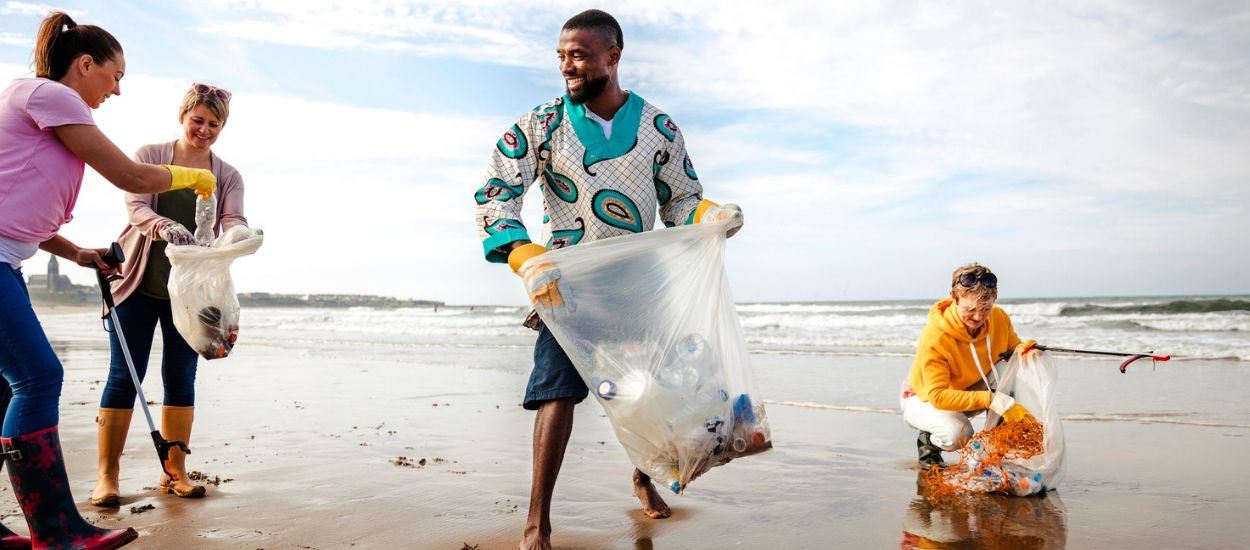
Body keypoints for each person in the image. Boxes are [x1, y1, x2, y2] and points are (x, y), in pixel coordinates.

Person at [473, 9, 743, 550]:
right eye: (561, 56)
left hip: (639, 286)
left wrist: (713, 215)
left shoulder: (657, 128)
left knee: (647, 392)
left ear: (612, 57)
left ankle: (644, 476)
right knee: (557, 396)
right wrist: (525, 255)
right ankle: (537, 524)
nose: (567, 66)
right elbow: (495, 196)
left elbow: (682, 200)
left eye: (579, 55)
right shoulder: (539, 125)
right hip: (564, 287)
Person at [0, 11, 215, 548]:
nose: (117, 90)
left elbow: (17, 210)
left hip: (8, 259)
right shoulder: (53, 96)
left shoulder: (38, 102)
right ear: (85, 64)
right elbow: (131, 177)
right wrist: (197, 175)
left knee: (7, 385)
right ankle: (56, 531)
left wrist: (76, 253)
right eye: (115, 76)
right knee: (39, 378)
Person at [89, 82, 246, 507]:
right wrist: (163, 227)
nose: (205, 130)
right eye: (198, 120)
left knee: (181, 378)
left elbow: (232, 217)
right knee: (125, 377)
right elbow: (137, 207)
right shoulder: (149, 155)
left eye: (214, 124)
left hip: (189, 296)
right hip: (136, 283)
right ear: (183, 117)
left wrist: (240, 234)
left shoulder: (226, 175)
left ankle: (174, 472)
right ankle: (108, 476)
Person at [899, 263, 1037, 468]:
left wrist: (1026, 351)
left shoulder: (999, 318)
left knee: (1012, 369)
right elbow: (937, 395)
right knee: (959, 435)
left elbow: (1013, 349)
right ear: (954, 298)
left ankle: (995, 445)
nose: (978, 317)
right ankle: (929, 441)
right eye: (970, 309)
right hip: (923, 398)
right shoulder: (935, 337)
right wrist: (991, 399)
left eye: (985, 309)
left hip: (966, 388)